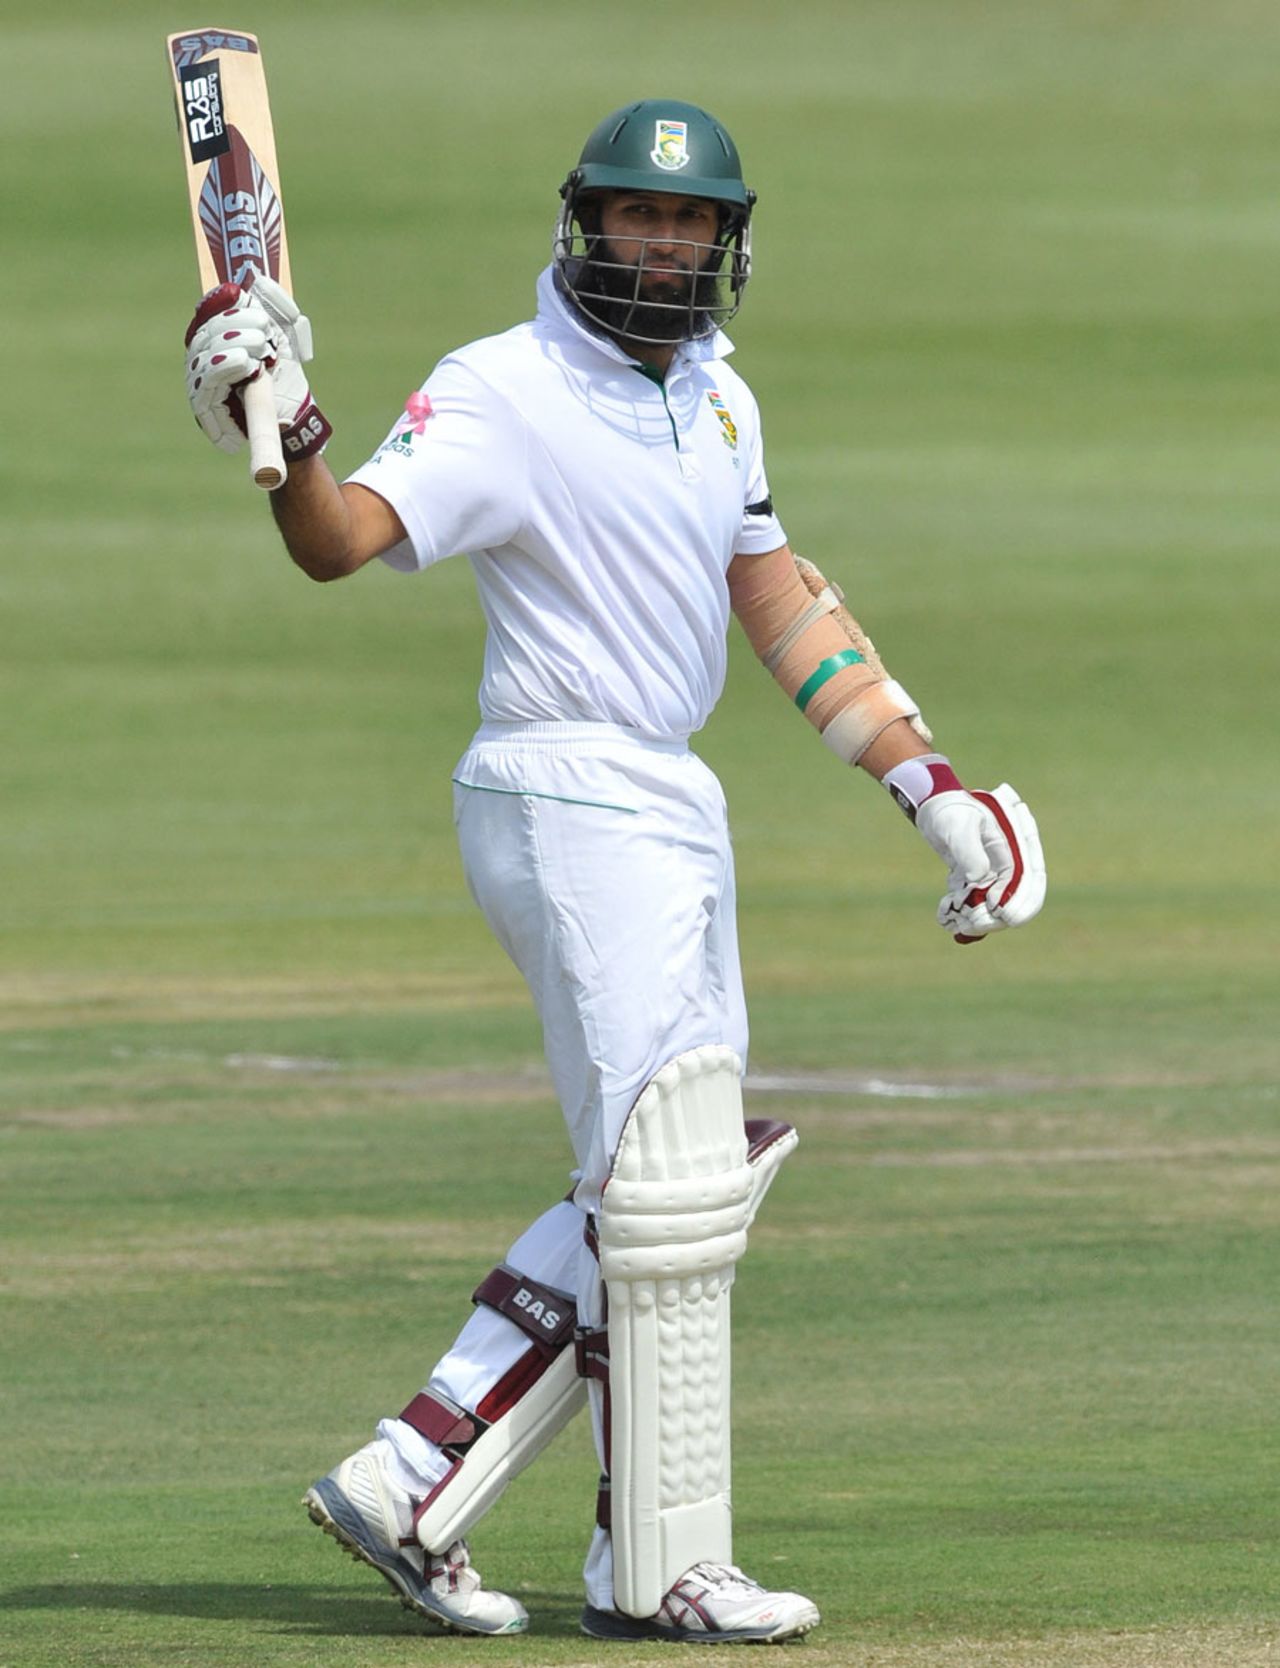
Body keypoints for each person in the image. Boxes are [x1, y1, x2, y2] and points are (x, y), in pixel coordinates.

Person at [182, 99, 1046, 1645]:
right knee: (657, 1193)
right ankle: (607, 1549)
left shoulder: (721, 399)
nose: (662, 246)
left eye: (690, 223)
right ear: (586, 224)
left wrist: (924, 783)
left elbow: (776, 598)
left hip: (671, 797)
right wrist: (284, 432)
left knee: (676, 1189)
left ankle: (467, 1498)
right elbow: (340, 541)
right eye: (637, 219)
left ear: (725, 241)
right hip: (563, 779)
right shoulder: (502, 390)